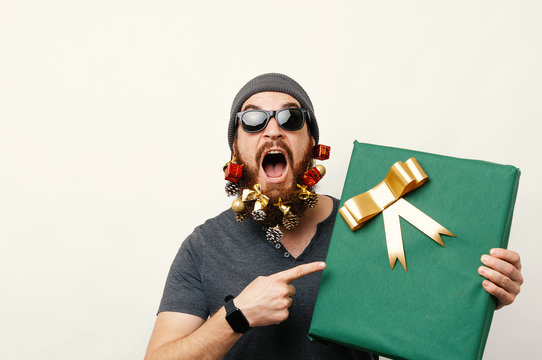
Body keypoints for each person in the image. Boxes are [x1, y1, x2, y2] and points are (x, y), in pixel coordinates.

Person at [145, 73, 524, 360]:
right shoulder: (203, 247)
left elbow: (427, 312)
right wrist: (237, 316)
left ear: (311, 142)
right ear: (236, 147)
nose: (273, 130)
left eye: (291, 118)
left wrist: (480, 294)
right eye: (254, 119)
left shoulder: (370, 222)